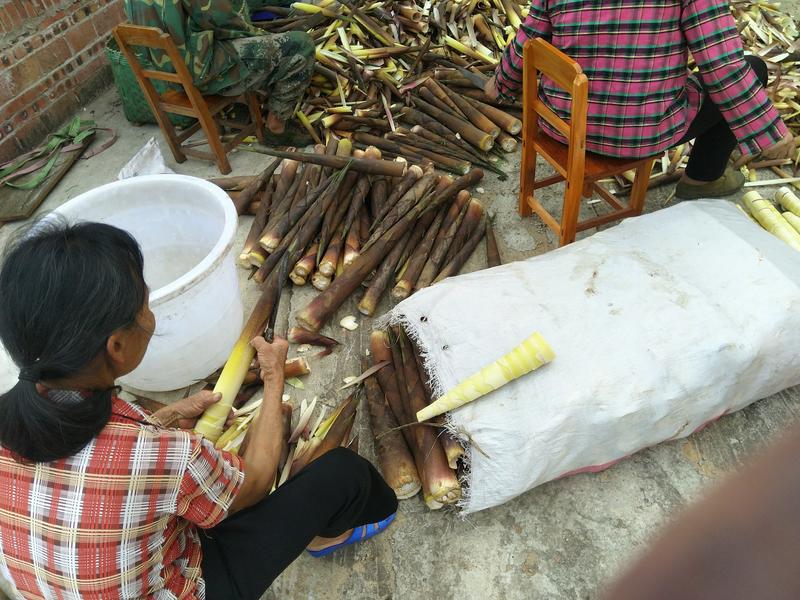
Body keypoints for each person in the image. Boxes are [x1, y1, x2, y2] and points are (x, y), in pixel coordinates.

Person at [0, 220, 397, 599]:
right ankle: (329, 536)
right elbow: (256, 484)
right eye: (144, 304)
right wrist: (274, 375)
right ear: (116, 346)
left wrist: (165, 419)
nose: (149, 314)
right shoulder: (162, 455)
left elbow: (91, 474)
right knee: (344, 474)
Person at [485, 0, 796, 199]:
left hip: (563, 126)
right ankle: (701, 180)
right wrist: (770, 130)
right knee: (751, 68)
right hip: (641, 135)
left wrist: (498, 86)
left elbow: (527, 42)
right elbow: (722, 68)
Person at [123, 0, 315, 143]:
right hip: (204, 74)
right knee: (300, 45)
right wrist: (263, 36)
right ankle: (276, 129)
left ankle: (239, 107)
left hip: (171, 77)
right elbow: (223, 21)